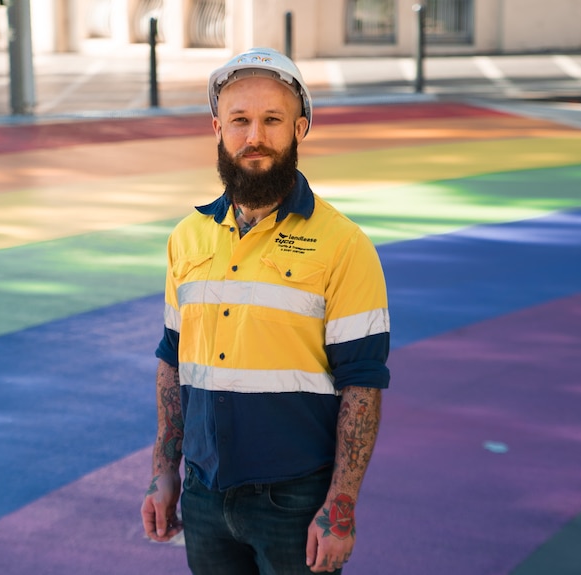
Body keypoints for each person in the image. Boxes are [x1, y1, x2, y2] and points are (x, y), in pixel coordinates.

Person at [140, 47, 390, 574]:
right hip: (204, 496)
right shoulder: (186, 238)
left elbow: (362, 385)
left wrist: (339, 506)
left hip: (295, 504)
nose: (255, 136)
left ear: (299, 129)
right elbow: (172, 361)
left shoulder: (343, 245)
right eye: (240, 120)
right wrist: (165, 472)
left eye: (272, 120)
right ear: (217, 128)